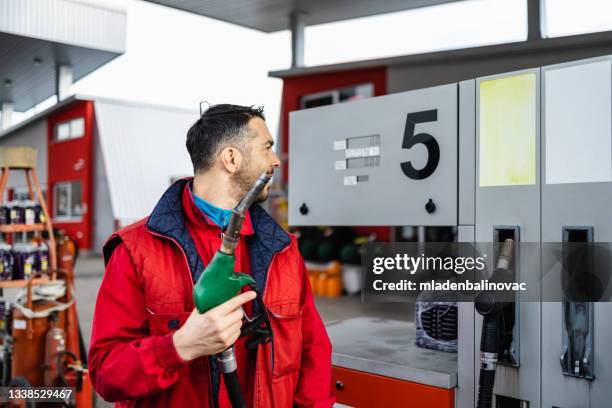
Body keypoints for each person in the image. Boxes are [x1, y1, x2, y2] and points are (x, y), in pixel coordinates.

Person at [88, 104, 334, 407]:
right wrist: (178, 347)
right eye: (267, 148)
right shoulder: (136, 250)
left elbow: (313, 353)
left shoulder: (284, 250)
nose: (275, 161)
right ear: (231, 158)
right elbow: (105, 374)